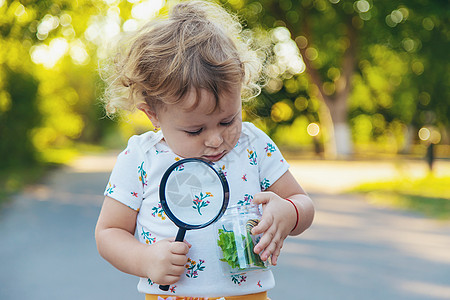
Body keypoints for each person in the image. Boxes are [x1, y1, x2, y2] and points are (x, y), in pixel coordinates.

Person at [95, 1, 315, 299]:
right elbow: (109, 233)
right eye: (195, 130)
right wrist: (145, 260)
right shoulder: (140, 158)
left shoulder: (253, 144)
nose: (215, 139)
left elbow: (302, 202)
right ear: (153, 114)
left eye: (227, 120)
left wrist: (289, 212)